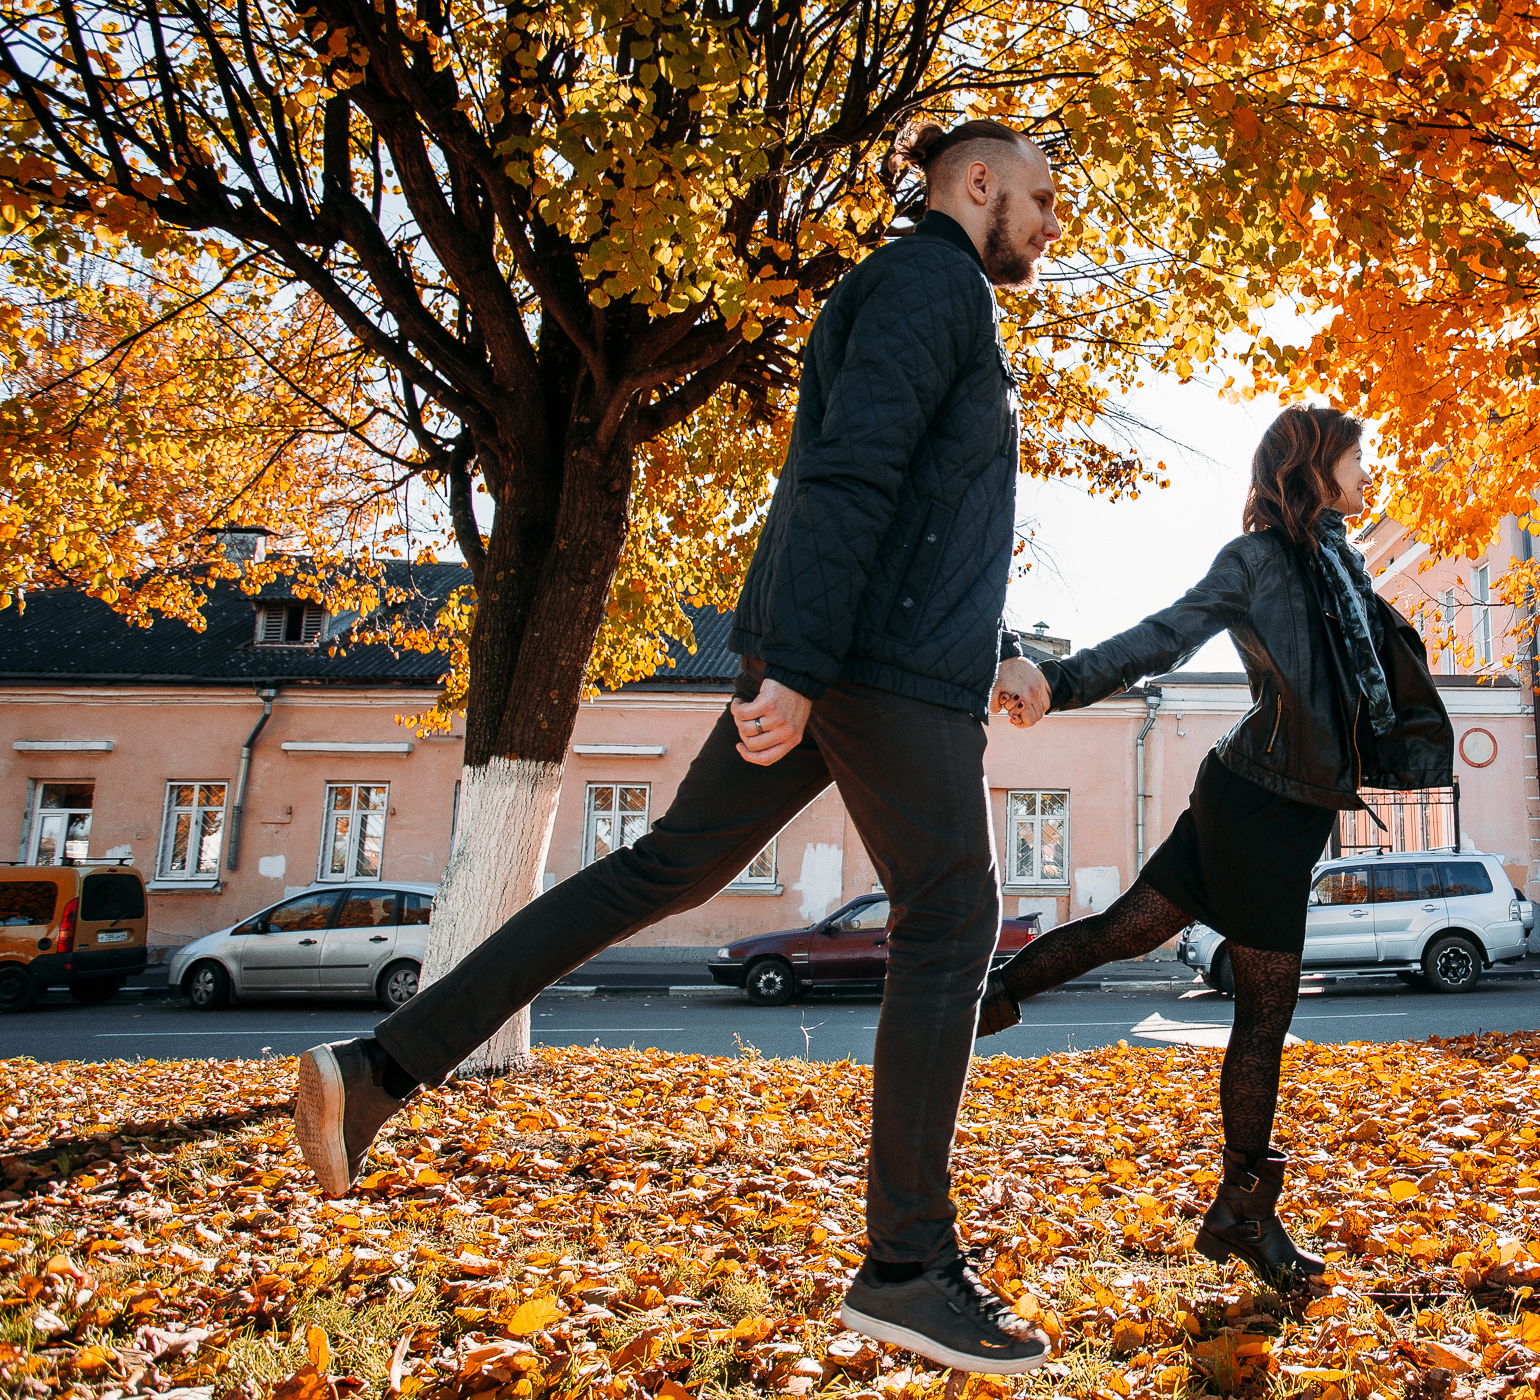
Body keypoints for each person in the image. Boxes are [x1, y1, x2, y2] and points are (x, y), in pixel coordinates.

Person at [292, 118, 1063, 1374]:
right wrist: (803, 670)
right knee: (953, 920)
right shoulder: (935, 283)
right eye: (1036, 195)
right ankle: (910, 1266)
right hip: (872, 670)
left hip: (857, 653)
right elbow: (853, 481)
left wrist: (993, 644)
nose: (1046, 221)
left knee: (662, 869)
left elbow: (918, 504)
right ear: (975, 183)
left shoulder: (907, 289)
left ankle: (378, 1067)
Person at [985, 406, 1452, 1290]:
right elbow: (1163, 634)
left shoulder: (1337, 565)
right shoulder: (1259, 563)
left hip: (1269, 797)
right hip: (1259, 808)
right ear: (1314, 469)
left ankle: (989, 996)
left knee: (1128, 930)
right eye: (1357, 460)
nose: (1369, 475)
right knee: (1265, 1011)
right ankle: (1244, 1212)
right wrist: (1059, 679)